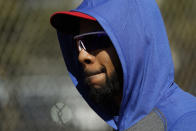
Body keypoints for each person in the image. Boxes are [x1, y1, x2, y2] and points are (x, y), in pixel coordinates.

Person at [50, 0, 196, 130]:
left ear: (134, 43)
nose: (82, 56)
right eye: (77, 44)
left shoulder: (187, 122)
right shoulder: (125, 121)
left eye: (95, 40)